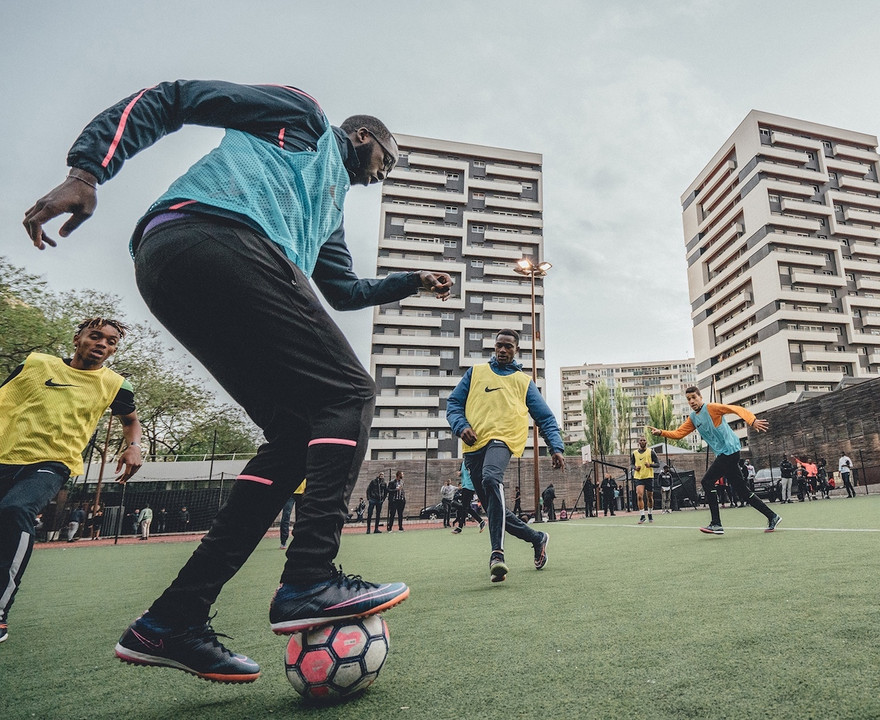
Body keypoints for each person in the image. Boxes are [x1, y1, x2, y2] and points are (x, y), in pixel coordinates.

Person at [24, 80, 456, 682]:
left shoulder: (326, 214)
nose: (385, 174)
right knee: (349, 393)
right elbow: (173, 99)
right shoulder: (303, 116)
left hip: (176, 266)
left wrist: (412, 280)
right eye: (388, 160)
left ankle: (174, 617)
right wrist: (88, 171)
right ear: (363, 136)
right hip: (214, 233)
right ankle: (310, 576)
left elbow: (343, 291)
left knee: (293, 434)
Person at [0, 318, 144, 644]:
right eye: (96, 336)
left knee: (15, 510)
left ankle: (0, 610)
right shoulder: (37, 363)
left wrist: (133, 447)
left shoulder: (115, 384)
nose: (102, 345)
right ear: (78, 337)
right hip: (4, 456)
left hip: (52, 463)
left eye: (110, 342)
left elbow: (131, 422)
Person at [446, 329, 564, 583]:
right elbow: (453, 404)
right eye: (499, 345)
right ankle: (537, 538)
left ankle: (497, 555)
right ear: (494, 347)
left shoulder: (523, 382)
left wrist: (556, 447)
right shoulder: (475, 373)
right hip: (474, 445)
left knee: (491, 479)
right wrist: (461, 426)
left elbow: (544, 417)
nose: (502, 350)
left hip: (504, 440)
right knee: (493, 508)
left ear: (515, 350)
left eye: (508, 347)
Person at [647, 386, 780, 535]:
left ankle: (716, 523)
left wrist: (752, 420)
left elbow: (736, 409)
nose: (691, 401)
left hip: (730, 451)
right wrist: (661, 432)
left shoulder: (712, 408)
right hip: (725, 454)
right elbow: (679, 433)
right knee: (743, 491)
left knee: (707, 481)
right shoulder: (693, 418)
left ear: (700, 397)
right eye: (688, 399)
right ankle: (772, 516)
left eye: (694, 397)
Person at [449, 464, 487, 535]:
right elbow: (461, 472)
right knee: (467, 507)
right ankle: (481, 521)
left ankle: (460, 527)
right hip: (464, 485)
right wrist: (459, 473)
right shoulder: (463, 463)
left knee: (464, 507)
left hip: (470, 486)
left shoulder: (471, 462)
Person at [632, 437, 658, 523]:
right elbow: (631, 464)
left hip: (649, 476)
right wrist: (635, 468)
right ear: (638, 442)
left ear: (646, 442)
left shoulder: (651, 452)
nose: (642, 441)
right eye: (641, 440)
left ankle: (650, 514)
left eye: (644, 440)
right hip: (639, 477)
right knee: (639, 496)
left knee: (650, 497)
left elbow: (658, 464)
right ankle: (642, 515)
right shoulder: (634, 453)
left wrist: (650, 465)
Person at [278, 481, 306, 549]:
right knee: (286, 516)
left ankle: (299, 540)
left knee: (300, 518)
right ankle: (283, 542)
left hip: (302, 493)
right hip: (290, 494)